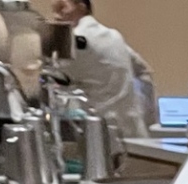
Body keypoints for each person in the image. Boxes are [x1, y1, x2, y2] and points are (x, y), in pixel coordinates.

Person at [51, 0, 157, 139]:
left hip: (104, 134)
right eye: (54, 10)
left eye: (62, 8)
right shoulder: (114, 36)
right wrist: (147, 118)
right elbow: (144, 72)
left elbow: (53, 78)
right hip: (135, 131)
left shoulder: (76, 39)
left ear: (81, 7)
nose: (56, 16)